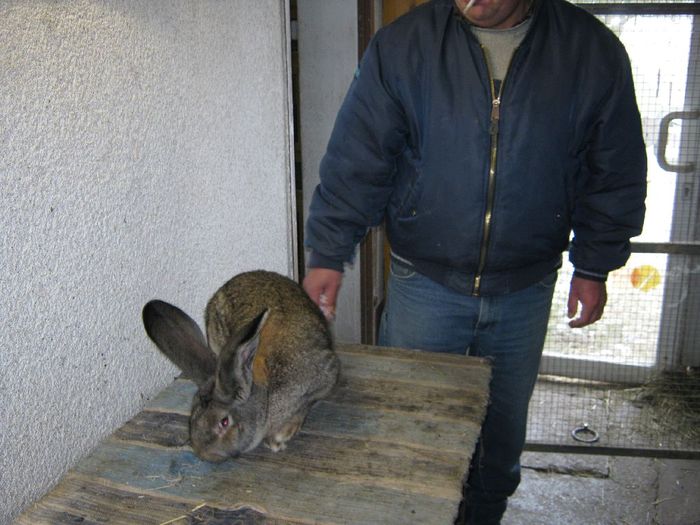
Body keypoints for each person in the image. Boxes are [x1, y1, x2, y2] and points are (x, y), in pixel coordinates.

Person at [303, 0, 647, 523]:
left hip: (525, 291)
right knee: (407, 432)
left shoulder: (592, 52)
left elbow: (614, 168)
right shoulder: (403, 46)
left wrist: (594, 265)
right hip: (425, 284)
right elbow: (360, 154)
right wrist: (329, 251)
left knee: (498, 446)